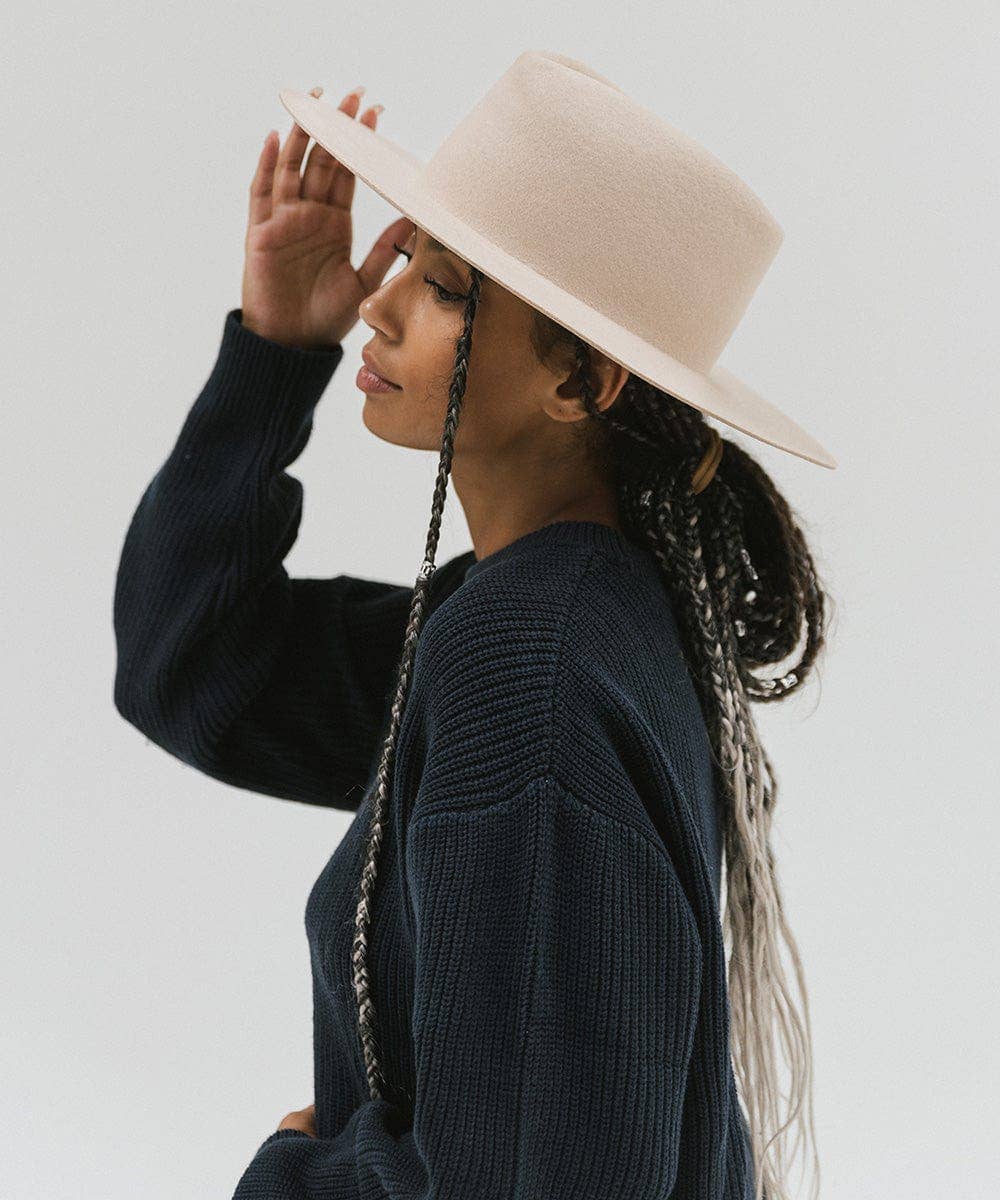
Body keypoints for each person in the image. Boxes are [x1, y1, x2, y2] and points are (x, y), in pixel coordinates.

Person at [114, 58, 834, 1200]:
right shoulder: (537, 614)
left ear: (581, 383)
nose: (380, 302)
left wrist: (298, 1175)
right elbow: (195, 670)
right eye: (408, 261)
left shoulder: (529, 664)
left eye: (446, 288)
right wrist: (275, 353)